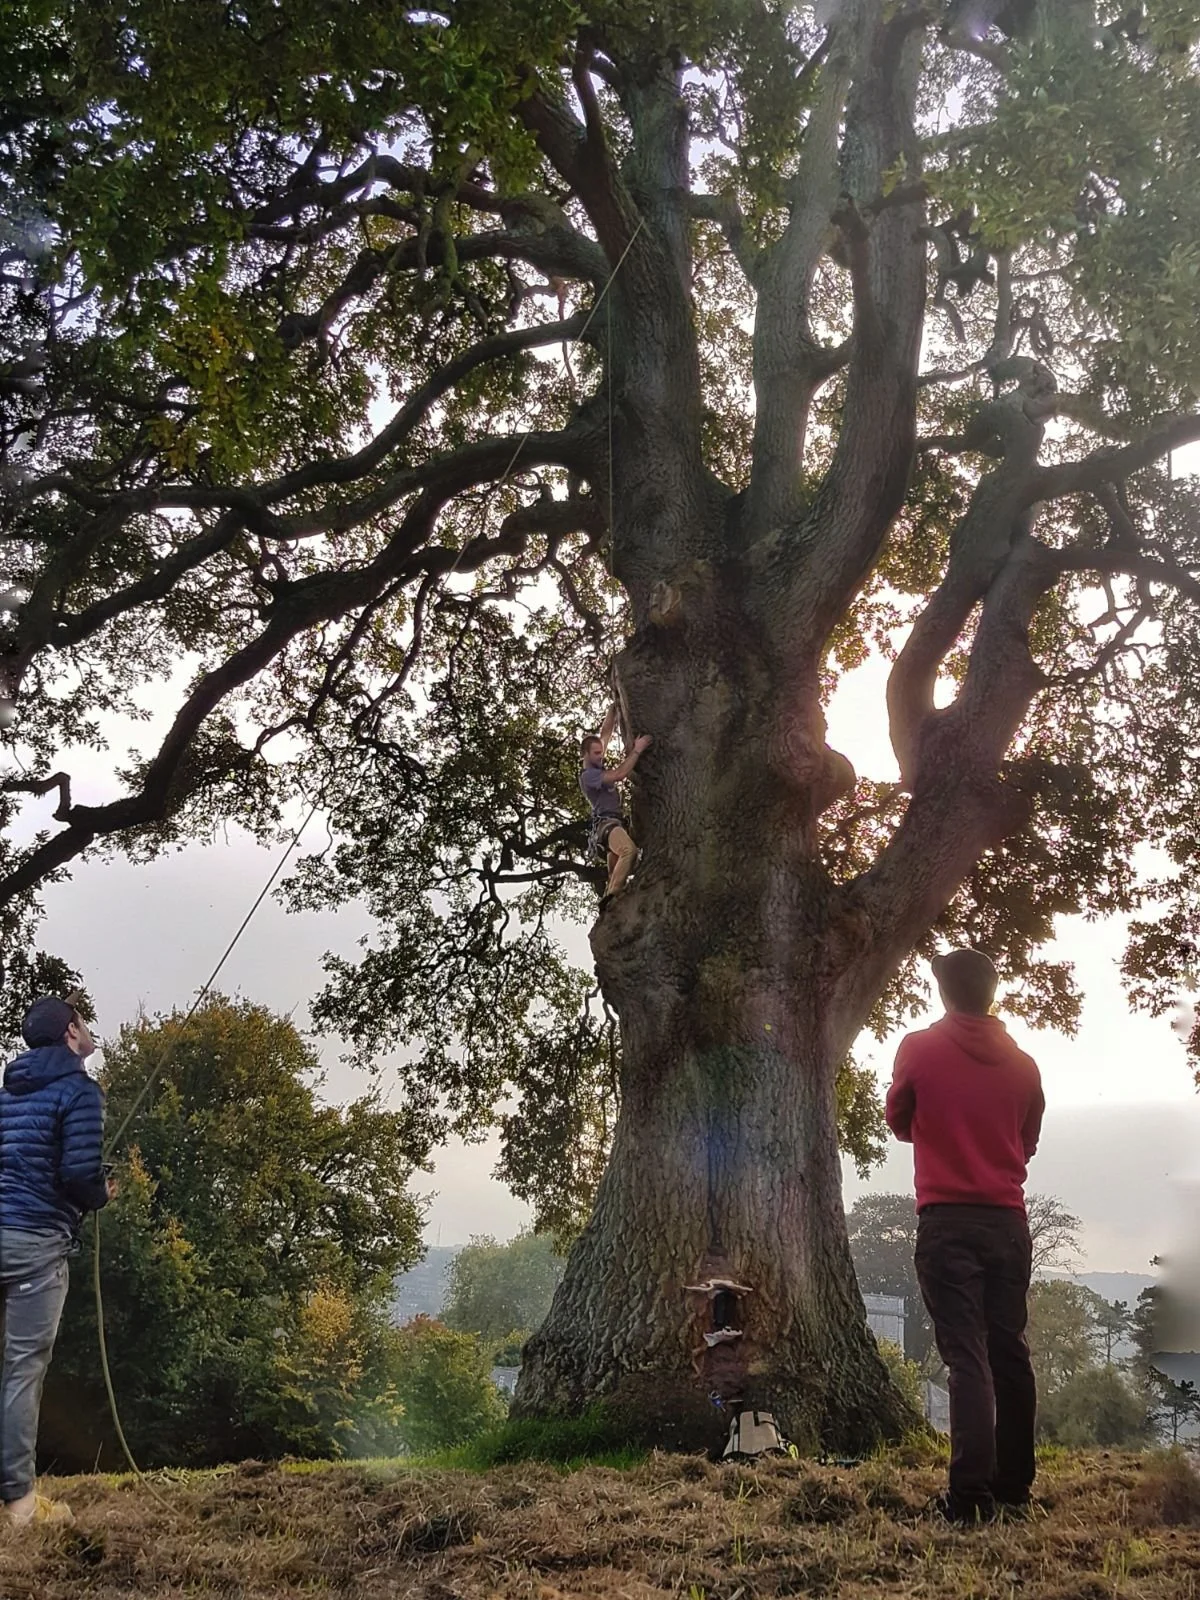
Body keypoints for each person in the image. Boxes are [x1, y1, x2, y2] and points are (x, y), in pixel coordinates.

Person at [885, 948, 1045, 1525]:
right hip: (1007, 1222)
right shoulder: (1025, 1065)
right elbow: (1027, 1140)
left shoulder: (920, 1049)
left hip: (947, 1220)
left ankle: (969, 1497)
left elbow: (899, 1119)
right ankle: (1014, 1486)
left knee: (966, 1358)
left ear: (944, 992)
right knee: (1010, 1349)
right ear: (993, 989)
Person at [0, 995, 113, 1528]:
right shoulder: (81, 1091)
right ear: (72, 1032)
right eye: (83, 1021)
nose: (89, 1030)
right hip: (35, 1246)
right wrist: (101, 1193)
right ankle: (20, 1506)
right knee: (22, 1372)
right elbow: (76, 1176)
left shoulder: (7, 1093)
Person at [579, 704, 652, 903]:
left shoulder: (596, 760)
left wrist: (613, 707)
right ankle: (612, 897)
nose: (600, 755)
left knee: (616, 872)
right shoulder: (589, 776)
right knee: (629, 851)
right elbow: (619, 774)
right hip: (607, 826)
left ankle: (609, 905)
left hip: (615, 825)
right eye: (596, 753)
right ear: (584, 755)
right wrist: (637, 751)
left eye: (600, 752)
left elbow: (605, 733)